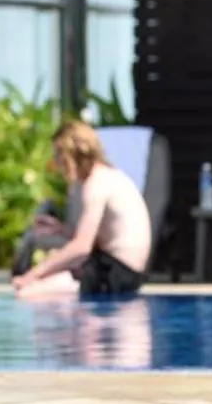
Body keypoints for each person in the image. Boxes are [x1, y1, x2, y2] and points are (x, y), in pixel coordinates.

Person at [13, 120, 153, 297]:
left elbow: (81, 247)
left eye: (58, 155)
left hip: (115, 273)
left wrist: (32, 275)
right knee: (40, 283)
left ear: (72, 155)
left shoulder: (96, 183)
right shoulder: (104, 176)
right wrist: (61, 230)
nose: (56, 162)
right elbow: (97, 239)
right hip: (118, 268)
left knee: (28, 293)